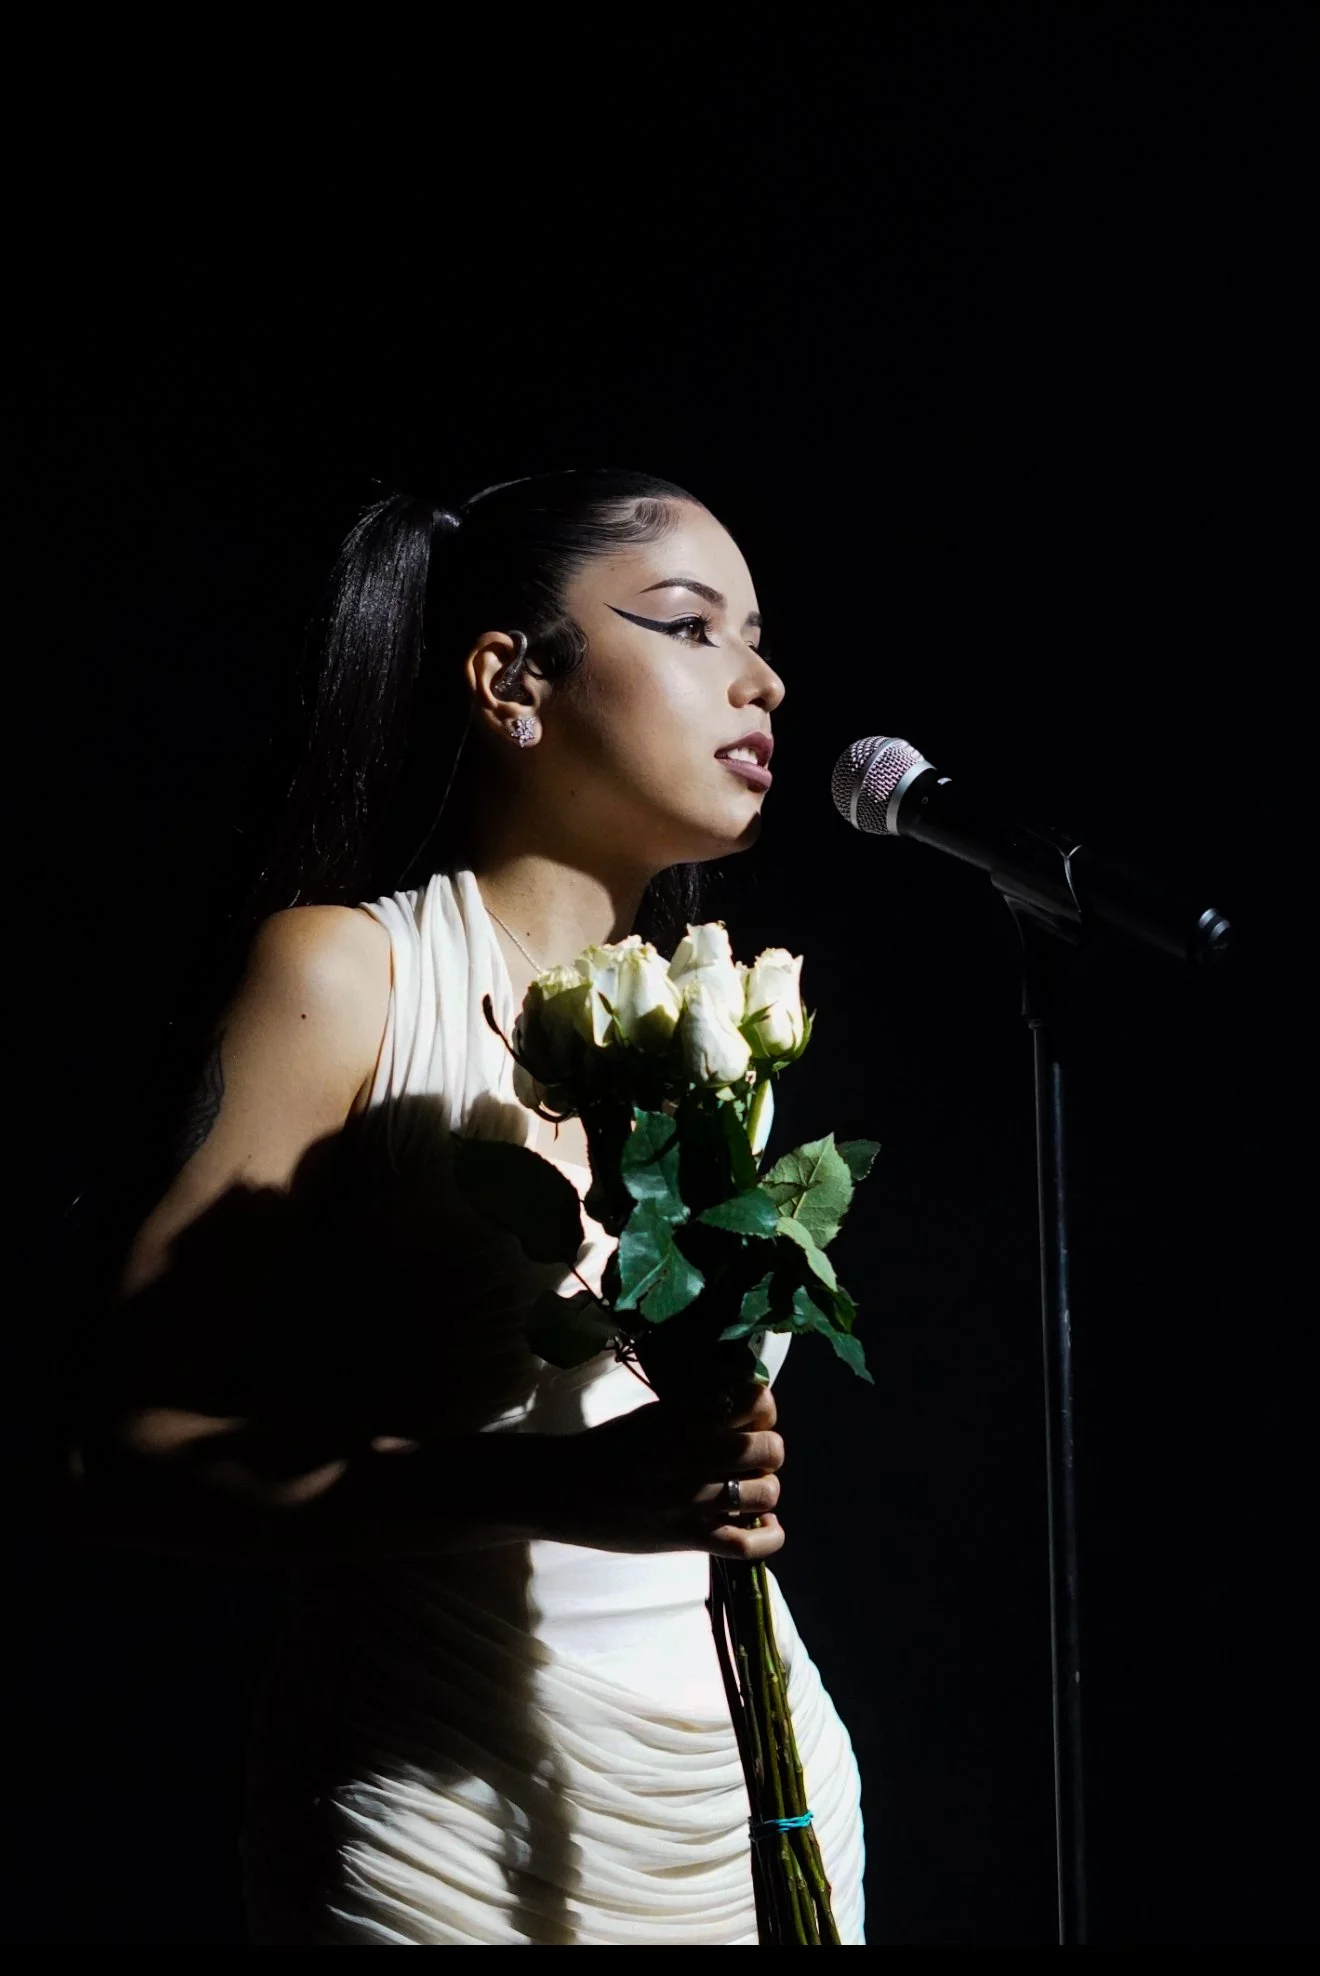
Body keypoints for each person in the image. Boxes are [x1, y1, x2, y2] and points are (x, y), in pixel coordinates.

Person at [73, 470, 865, 1944]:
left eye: (757, 637)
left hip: (747, 1806)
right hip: (444, 1827)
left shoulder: (716, 1024)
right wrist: (545, 1496)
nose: (763, 677)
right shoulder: (348, 977)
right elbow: (128, 1453)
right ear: (513, 677)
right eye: (694, 628)